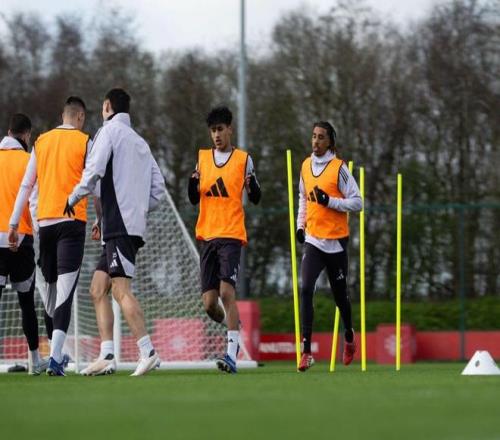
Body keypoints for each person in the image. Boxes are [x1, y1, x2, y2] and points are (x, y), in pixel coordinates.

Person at [67, 88, 166, 376]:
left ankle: (148, 351)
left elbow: (93, 171)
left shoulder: (107, 132)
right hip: (121, 225)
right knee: (98, 289)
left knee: (121, 291)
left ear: (107, 106)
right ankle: (107, 355)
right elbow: (158, 190)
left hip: (120, 226)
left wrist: (73, 197)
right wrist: (135, 209)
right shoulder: (141, 142)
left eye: (102, 107)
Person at [8, 98, 90, 376]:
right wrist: (101, 218)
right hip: (71, 222)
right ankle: (55, 358)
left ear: (61, 115)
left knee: (52, 294)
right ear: (80, 117)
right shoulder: (84, 141)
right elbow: (94, 180)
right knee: (64, 293)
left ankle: (53, 356)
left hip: (45, 226)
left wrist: (13, 223)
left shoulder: (41, 142)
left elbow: (26, 185)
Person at [188, 106, 261, 374]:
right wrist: (191, 185)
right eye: (213, 131)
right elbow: (194, 197)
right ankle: (234, 328)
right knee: (209, 304)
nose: (216, 135)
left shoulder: (243, 159)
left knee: (227, 292)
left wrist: (253, 187)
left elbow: (256, 196)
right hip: (208, 235)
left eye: (220, 129)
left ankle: (231, 355)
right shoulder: (203, 159)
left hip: (231, 234)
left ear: (230, 129)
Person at [296, 121, 362, 372]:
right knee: (305, 288)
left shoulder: (339, 168)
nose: (315, 141)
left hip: (336, 242)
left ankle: (349, 336)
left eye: (321, 137)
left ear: (330, 142)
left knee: (340, 297)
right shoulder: (305, 165)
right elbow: (303, 197)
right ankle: (306, 352)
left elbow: (358, 202)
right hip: (313, 240)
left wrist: (330, 202)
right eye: (313, 136)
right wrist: (300, 225)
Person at [0, 114, 45, 375]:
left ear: (9, 132)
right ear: (26, 135)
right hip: (22, 237)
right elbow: (34, 201)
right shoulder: (28, 161)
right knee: (26, 302)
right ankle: (35, 360)